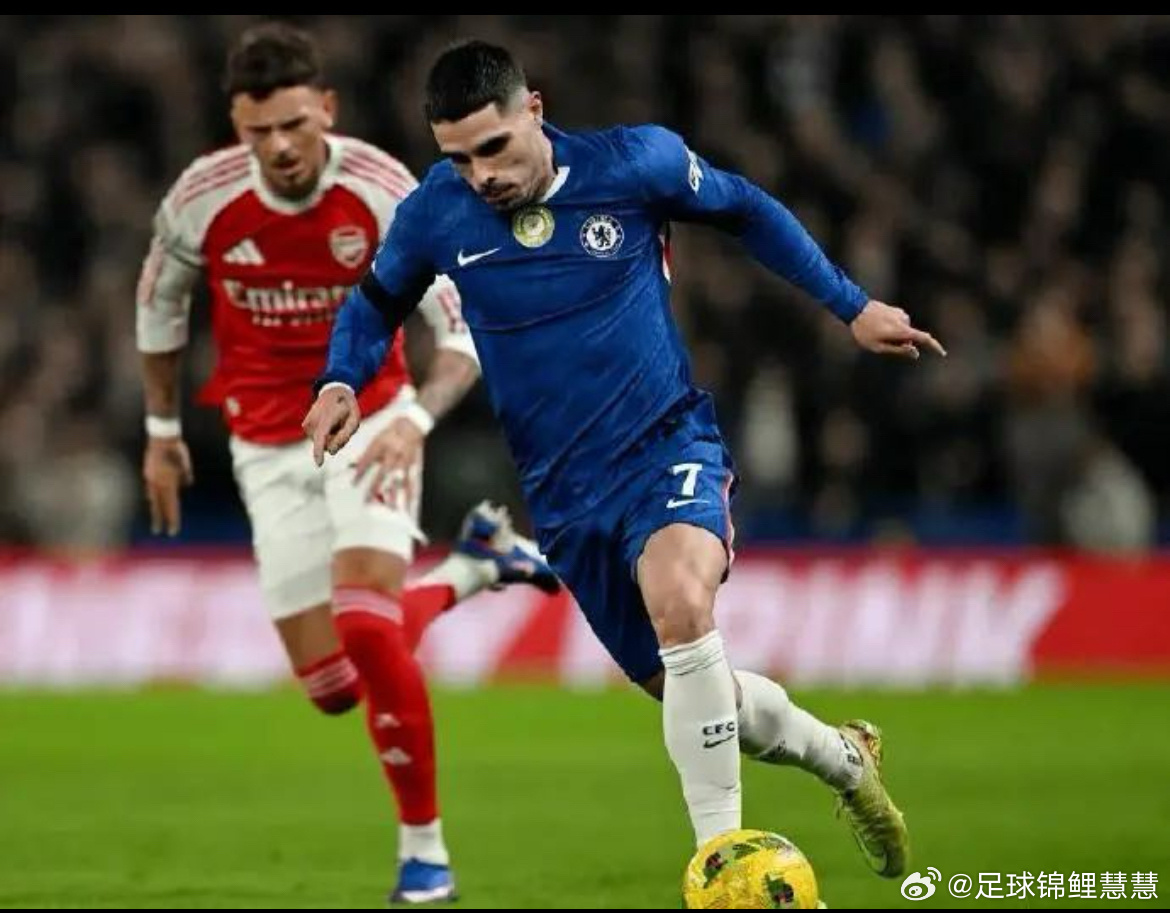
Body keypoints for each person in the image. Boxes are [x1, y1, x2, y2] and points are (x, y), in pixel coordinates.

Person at [304, 39, 942, 878]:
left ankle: (722, 862)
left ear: (534, 109)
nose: (481, 175)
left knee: (680, 599)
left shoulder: (635, 165)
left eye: (493, 147)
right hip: (565, 498)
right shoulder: (436, 213)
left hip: (665, 444)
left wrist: (850, 305)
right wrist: (340, 379)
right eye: (459, 159)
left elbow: (747, 208)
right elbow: (374, 304)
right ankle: (843, 758)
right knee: (700, 693)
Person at [136, 25, 559, 904]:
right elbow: (160, 307)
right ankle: (475, 565)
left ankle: (425, 856)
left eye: (295, 123)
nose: (280, 146)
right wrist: (162, 428)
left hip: (372, 417)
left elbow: (460, 334)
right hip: (265, 441)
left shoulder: (382, 188)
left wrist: (413, 417)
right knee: (332, 685)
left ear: (325, 108)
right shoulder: (202, 198)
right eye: (260, 131)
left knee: (366, 625)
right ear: (237, 127)